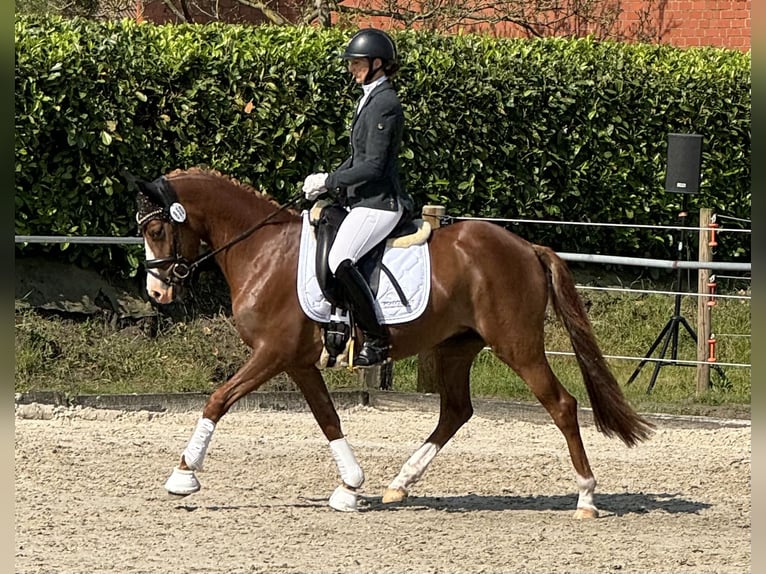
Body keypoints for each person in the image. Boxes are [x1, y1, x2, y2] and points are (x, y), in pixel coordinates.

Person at [302, 28, 414, 368]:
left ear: (377, 63)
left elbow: (374, 166)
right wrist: (328, 181)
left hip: (381, 203)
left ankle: (377, 340)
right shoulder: (369, 98)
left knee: (340, 259)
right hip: (361, 201)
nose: (351, 68)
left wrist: (331, 179)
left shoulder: (386, 103)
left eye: (357, 62)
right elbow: (356, 157)